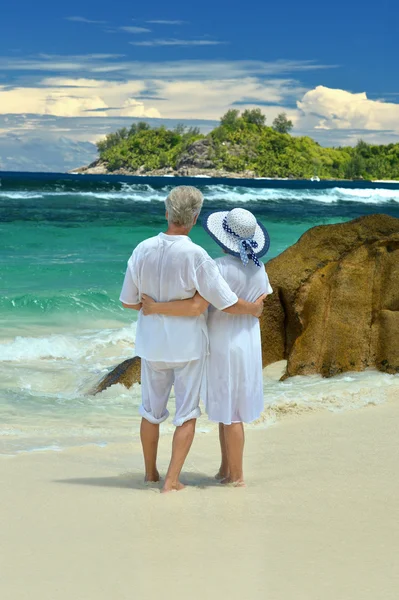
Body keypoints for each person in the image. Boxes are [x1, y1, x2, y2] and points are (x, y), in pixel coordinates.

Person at [120, 188, 266, 493]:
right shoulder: (197, 256)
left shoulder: (142, 248)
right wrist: (254, 308)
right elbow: (223, 302)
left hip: (151, 344)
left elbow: (129, 302)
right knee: (185, 413)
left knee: (150, 411)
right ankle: (171, 481)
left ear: (166, 212)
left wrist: (154, 306)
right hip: (187, 346)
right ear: (195, 217)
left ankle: (150, 474)